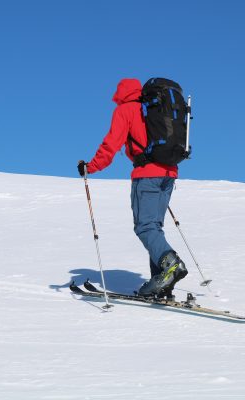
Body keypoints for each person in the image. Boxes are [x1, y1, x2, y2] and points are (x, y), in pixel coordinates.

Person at [78, 78, 187, 298]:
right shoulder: (152, 107)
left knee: (145, 227)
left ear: (120, 93)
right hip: (169, 173)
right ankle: (161, 283)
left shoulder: (126, 110)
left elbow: (111, 143)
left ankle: (171, 264)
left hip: (146, 175)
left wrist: (91, 167)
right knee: (154, 227)